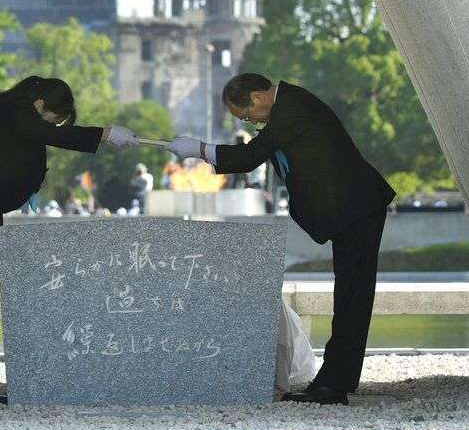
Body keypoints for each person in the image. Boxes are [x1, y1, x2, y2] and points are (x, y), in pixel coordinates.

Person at [169, 72, 395, 406]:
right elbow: (257, 152)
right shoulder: (286, 107)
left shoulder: (292, 106)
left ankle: (333, 385)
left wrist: (200, 150)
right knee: (350, 294)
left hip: (356, 207)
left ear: (259, 96)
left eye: (246, 115)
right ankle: (336, 378)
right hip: (351, 211)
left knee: (352, 296)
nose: (249, 121)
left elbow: (250, 157)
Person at [0, 75, 138, 405]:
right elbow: (48, 134)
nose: (53, 127)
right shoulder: (15, 112)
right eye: (53, 118)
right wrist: (105, 134)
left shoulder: (11, 113)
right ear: (40, 105)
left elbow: (42, 137)